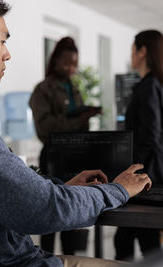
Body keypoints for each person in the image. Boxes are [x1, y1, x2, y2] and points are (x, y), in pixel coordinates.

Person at [0, 1, 152, 266]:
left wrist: (59, 189)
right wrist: (118, 189)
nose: (6, 54)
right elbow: (44, 211)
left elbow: (2, 199)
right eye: (2, 41)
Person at [29, 37, 101, 255]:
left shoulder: (73, 87)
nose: (72, 69)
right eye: (67, 63)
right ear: (56, 61)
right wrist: (78, 120)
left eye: (75, 64)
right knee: (50, 216)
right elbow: (46, 130)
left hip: (76, 158)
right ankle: (46, 259)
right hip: (52, 158)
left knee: (72, 214)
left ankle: (70, 259)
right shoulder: (42, 90)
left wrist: (87, 114)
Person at [113, 30, 163, 260]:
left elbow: (151, 134)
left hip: (148, 174)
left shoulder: (149, 86)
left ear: (142, 52)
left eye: (132, 50)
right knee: (136, 238)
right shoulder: (157, 85)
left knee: (140, 240)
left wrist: (132, 172)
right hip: (154, 171)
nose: (131, 55)